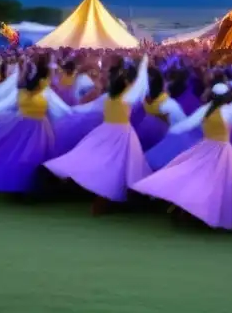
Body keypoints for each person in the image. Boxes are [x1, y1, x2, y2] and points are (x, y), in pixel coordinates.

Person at [131, 69, 232, 230]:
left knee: (197, 179)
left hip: (206, 148)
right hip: (221, 151)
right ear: (226, 98)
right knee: (215, 184)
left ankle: (189, 211)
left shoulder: (206, 110)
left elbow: (187, 124)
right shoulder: (226, 111)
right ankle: (202, 214)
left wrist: (172, 131)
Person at [44, 56, 152, 206]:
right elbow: (141, 86)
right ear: (127, 84)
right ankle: (105, 196)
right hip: (121, 134)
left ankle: (102, 194)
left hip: (106, 131)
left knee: (98, 159)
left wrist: (72, 110)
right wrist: (144, 65)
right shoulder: (126, 97)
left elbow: (88, 107)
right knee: (117, 164)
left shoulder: (108, 98)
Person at [0, 59, 73, 193]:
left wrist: (26, 69)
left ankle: (32, 186)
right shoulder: (33, 91)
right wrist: (39, 67)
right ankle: (26, 186)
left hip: (33, 126)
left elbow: (26, 82)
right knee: (27, 155)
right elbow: (41, 81)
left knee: (27, 155)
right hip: (33, 127)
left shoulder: (25, 91)